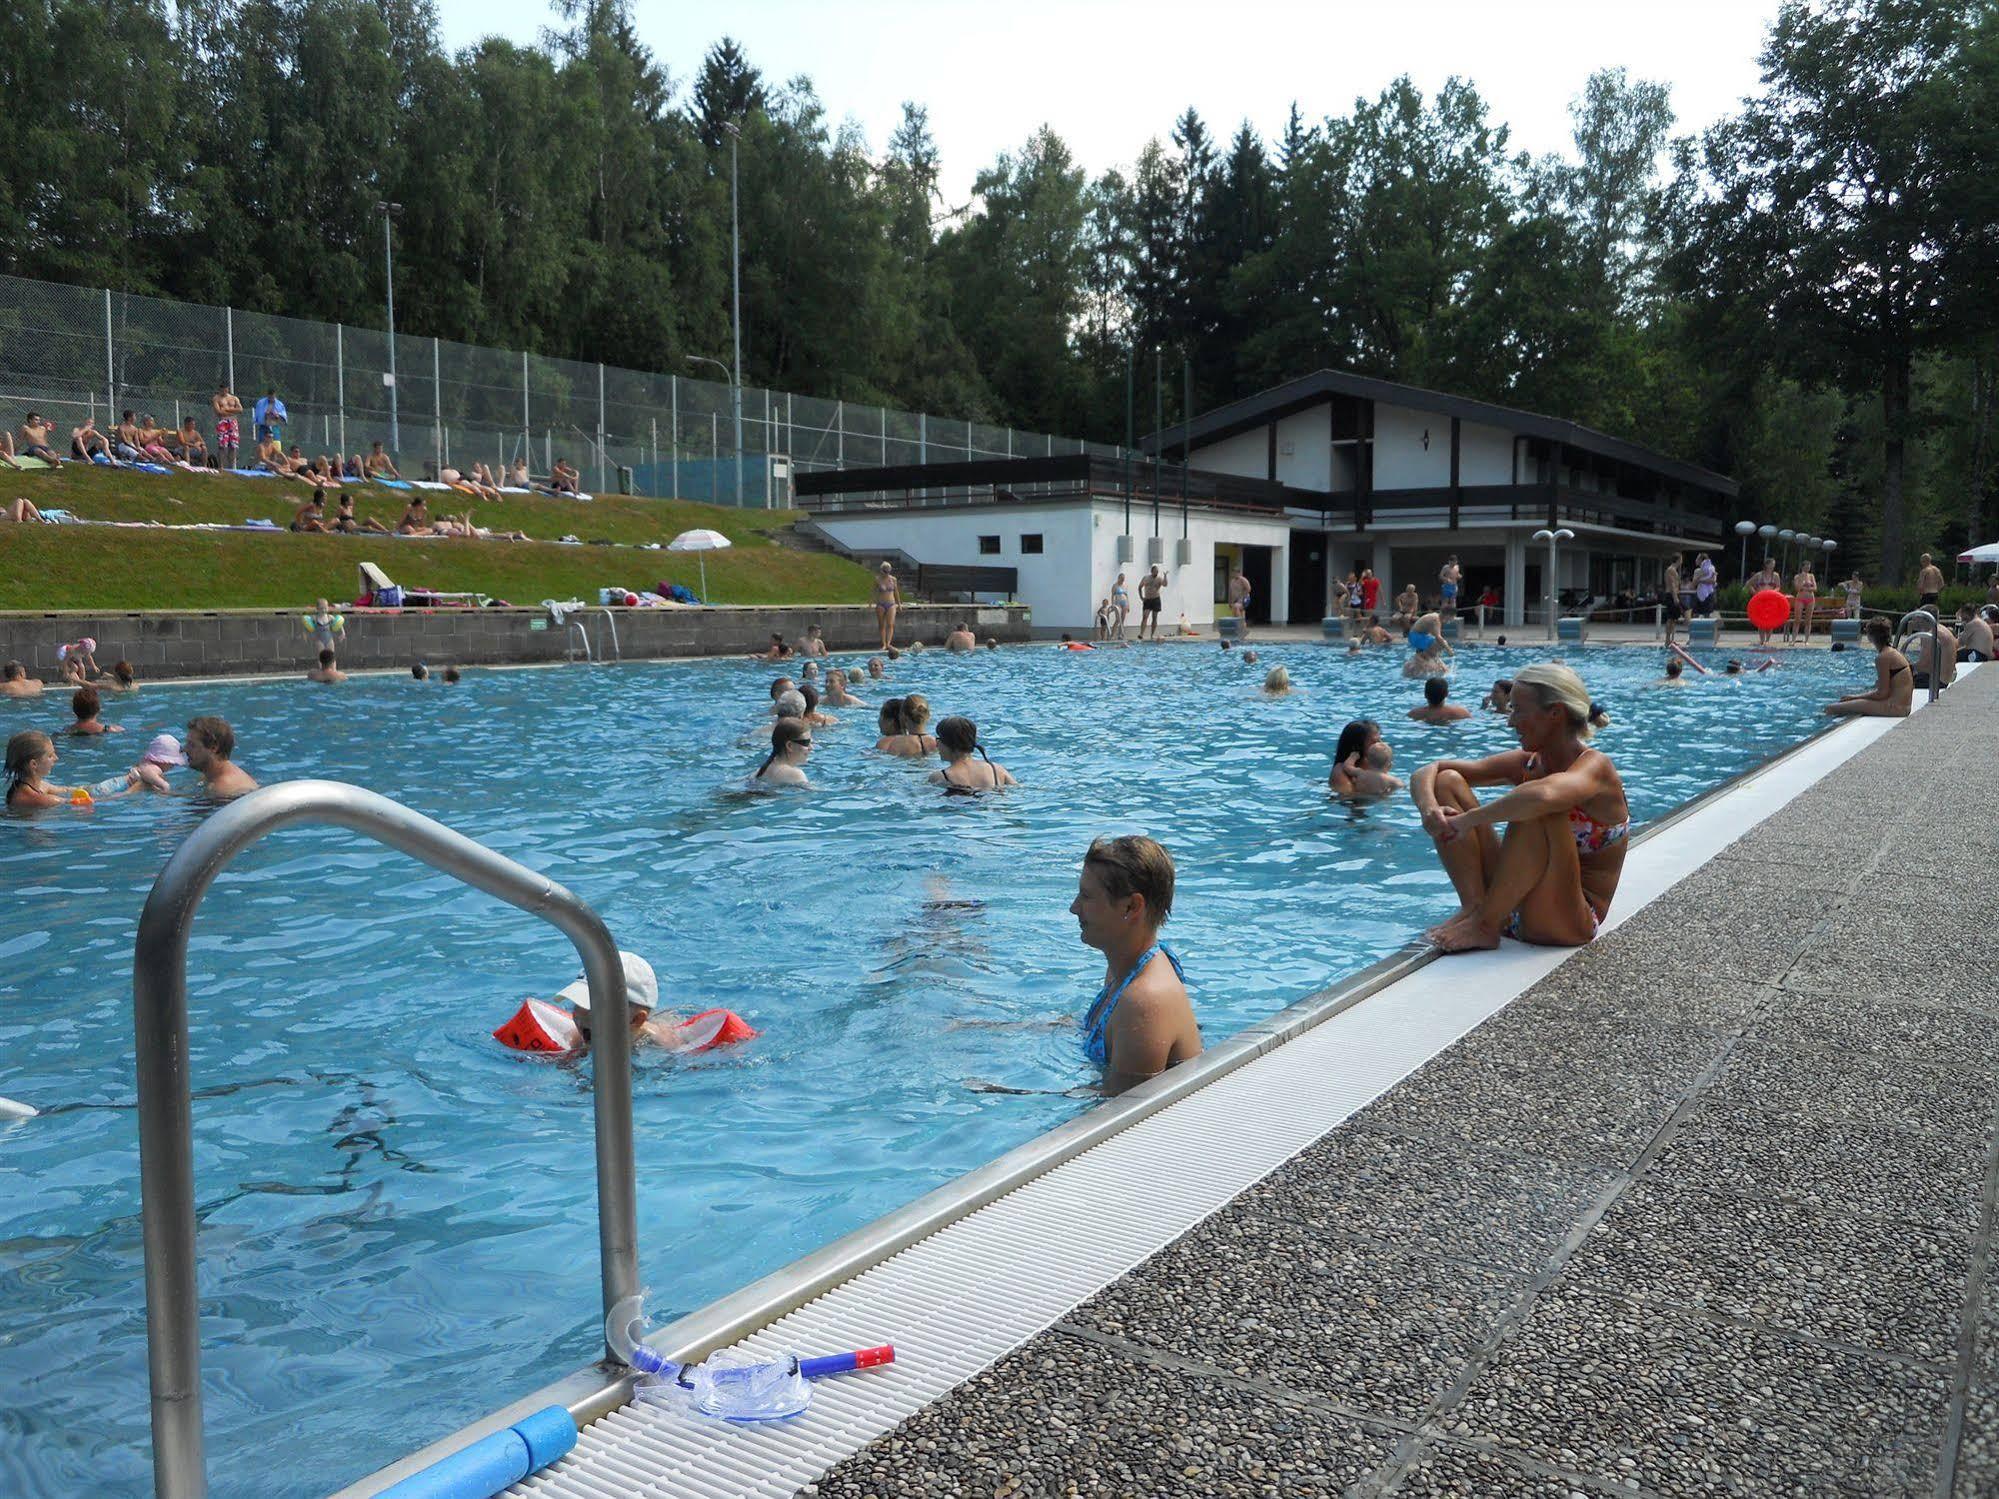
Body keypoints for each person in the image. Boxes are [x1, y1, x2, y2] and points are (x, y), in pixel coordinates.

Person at [1410, 662, 1627, 952]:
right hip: (1513, 908)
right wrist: (1429, 811)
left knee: (1538, 804)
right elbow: (1429, 770)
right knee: (1447, 781)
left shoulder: (1596, 767)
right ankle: (1475, 908)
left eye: (1519, 711)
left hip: (1566, 920)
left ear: (1555, 714)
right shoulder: (1528, 761)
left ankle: (1485, 926)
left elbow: (1544, 797)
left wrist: (1468, 821)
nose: (1511, 721)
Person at [1072, 835, 1200, 1095]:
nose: (1074, 908)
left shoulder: (1144, 1001)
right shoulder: (1125, 968)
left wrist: (1014, 1093)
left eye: (1086, 896)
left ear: (1131, 906)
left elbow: (1119, 1113)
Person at [5, 729, 146, 808]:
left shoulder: (35, 786)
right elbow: (93, 803)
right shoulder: (42, 799)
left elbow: (75, 790)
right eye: (50, 755)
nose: (56, 758)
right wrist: (133, 791)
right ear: (33, 764)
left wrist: (126, 779)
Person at [1825, 618, 1914, 717]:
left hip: (1895, 708)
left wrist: (1854, 697)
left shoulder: (1883, 657)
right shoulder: (1893, 653)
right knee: (1849, 705)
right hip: (1902, 707)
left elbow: (1882, 693)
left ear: (1870, 636)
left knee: (1831, 708)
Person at [928, 715, 1017, 791]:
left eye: (938, 739)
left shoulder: (939, 777)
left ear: (947, 743)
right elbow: (1017, 789)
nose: (936, 744)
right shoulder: (996, 769)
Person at [184, 716, 257, 797]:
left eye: (192, 745)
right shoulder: (211, 774)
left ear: (214, 748)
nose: (185, 749)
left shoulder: (224, 789)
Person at [1327, 719, 1387, 798]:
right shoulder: (1340, 772)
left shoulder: (1374, 765)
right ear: (1357, 747)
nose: (1382, 745)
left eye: (1380, 740)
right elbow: (1347, 800)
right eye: (1375, 742)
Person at [1902, 614, 1957, 691]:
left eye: (1916, 617)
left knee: (1897, 679)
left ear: (1922, 619)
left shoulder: (1931, 634)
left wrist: (1904, 666)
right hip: (1944, 679)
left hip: (1935, 682)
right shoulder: (1943, 629)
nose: (1913, 620)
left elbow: (1923, 665)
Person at [753, 717, 813, 786]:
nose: (811, 748)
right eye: (806, 743)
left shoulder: (759, 772)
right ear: (789, 746)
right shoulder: (795, 775)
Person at [1403, 611, 1454, 677]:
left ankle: (1424, 656)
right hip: (1415, 637)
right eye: (1451, 619)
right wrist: (1448, 650)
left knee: (1439, 647)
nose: (1449, 622)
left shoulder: (1435, 616)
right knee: (1441, 643)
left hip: (1416, 637)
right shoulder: (1436, 620)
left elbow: (1432, 635)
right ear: (1448, 615)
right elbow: (1438, 637)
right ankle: (1421, 657)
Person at [212, 385, 243, 468]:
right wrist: (233, 411)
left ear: (228, 389)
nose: (224, 391)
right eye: (222, 389)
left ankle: (232, 466)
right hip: (223, 422)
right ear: (220, 389)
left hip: (233, 422)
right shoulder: (216, 398)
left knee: (233, 445)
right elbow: (218, 412)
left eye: (225, 389)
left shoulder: (234, 398)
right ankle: (221, 466)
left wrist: (226, 410)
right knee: (222, 445)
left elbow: (240, 409)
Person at [1790, 560, 1818, 644]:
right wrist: (1808, 587)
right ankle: (1793, 640)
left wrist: (1805, 588)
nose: (1808, 568)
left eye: (1809, 566)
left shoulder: (1811, 576)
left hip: (1810, 599)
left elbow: (1815, 588)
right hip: (1800, 599)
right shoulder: (1797, 576)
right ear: (1802, 567)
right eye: (1806, 566)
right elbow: (1798, 588)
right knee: (1797, 619)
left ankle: (1806, 640)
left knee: (1808, 620)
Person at [874, 562, 901, 649]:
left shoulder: (893, 579)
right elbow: (873, 591)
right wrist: (870, 603)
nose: (886, 573)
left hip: (891, 603)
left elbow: (896, 592)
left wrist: (899, 604)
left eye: (887, 571)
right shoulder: (878, 579)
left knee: (890, 624)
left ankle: (888, 643)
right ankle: (884, 643)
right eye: (885, 571)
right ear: (881, 571)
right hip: (881, 603)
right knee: (881, 624)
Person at [1137, 565, 1167, 640]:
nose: (1156, 573)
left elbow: (1165, 584)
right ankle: (1141, 634)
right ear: (1151, 571)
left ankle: (1152, 635)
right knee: (1145, 616)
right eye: (1155, 572)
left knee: (1154, 617)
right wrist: (1141, 597)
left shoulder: (1159, 579)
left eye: (1157, 572)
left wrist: (1165, 576)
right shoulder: (1146, 578)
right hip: (1147, 600)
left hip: (1155, 599)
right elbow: (1140, 587)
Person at [1660, 554, 1684, 647]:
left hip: (1673, 595)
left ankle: (1671, 640)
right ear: (1678, 559)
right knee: (1670, 618)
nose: (1682, 561)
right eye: (1681, 559)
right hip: (1671, 595)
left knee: (1674, 619)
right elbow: (1672, 585)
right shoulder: (1671, 570)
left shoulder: (1674, 570)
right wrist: (1675, 597)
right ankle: (1667, 640)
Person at [1227, 562, 1253, 639]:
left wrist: (1241, 598)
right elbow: (1230, 593)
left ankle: (1241, 625)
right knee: (1235, 611)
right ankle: (1240, 627)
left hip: (1244, 599)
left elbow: (1248, 589)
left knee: (1236, 607)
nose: (1235, 574)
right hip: (1235, 600)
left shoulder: (1243, 580)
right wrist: (1230, 602)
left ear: (1239, 573)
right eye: (1233, 572)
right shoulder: (1232, 581)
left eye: (1236, 572)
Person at [1110, 571, 1130, 640]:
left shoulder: (1125, 585)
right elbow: (1112, 596)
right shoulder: (1115, 586)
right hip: (1118, 603)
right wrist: (1112, 604)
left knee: (1123, 620)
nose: (1122, 580)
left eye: (1123, 579)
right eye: (1121, 578)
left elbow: (1126, 595)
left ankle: (1120, 635)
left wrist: (1128, 605)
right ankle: (1112, 635)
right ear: (1118, 578)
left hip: (1124, 602)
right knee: (1118, 620)